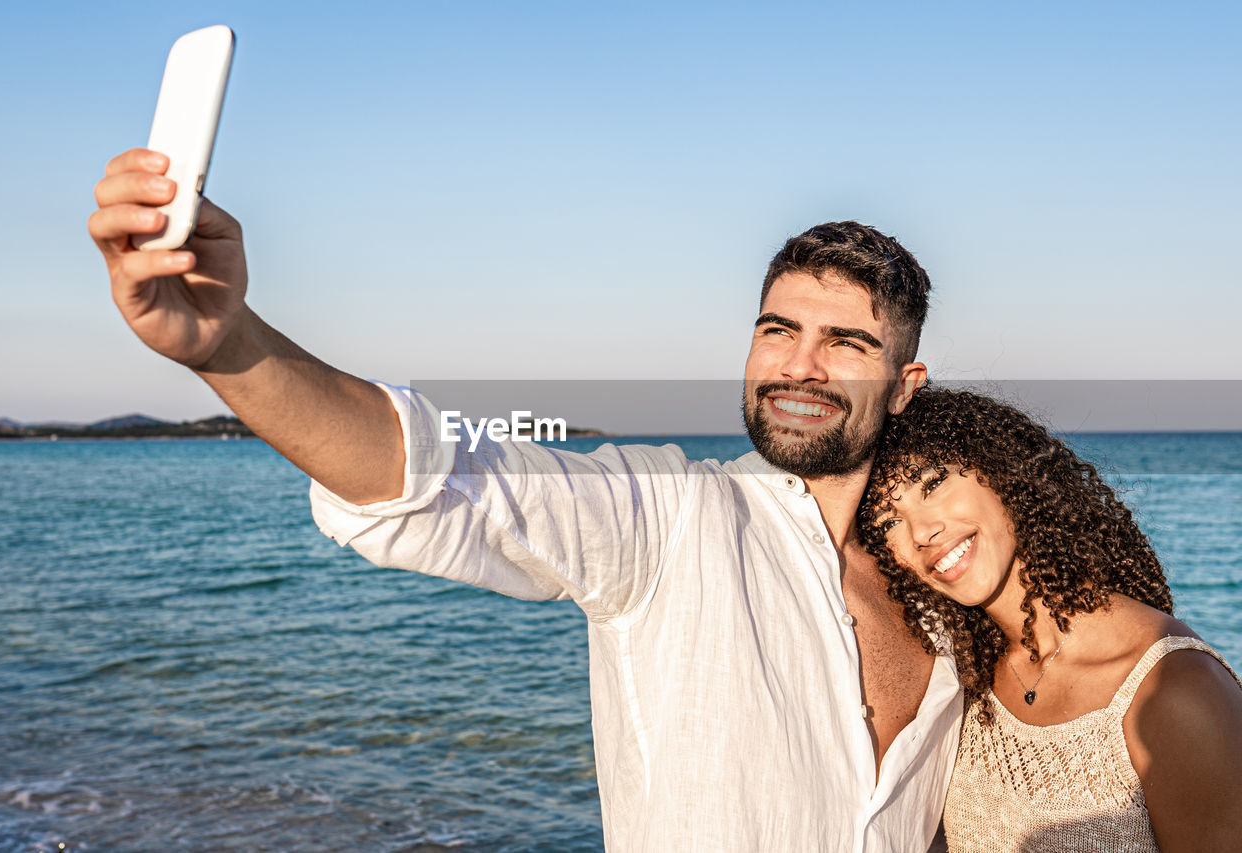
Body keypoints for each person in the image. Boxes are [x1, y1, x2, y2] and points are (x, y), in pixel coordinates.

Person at [89, 147, 962, 851]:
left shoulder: (951, 592)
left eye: (844, 342)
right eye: (778, 330)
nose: (798, 366)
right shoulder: (672, 518)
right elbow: (438, 478)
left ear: (904, 383)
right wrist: (225, 343)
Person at [858, 387, 1242, 851]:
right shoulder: (962, 683)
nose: (922, 532)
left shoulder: (1175, 689)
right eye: (887, 523)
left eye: (933, 484)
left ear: (999, 469)